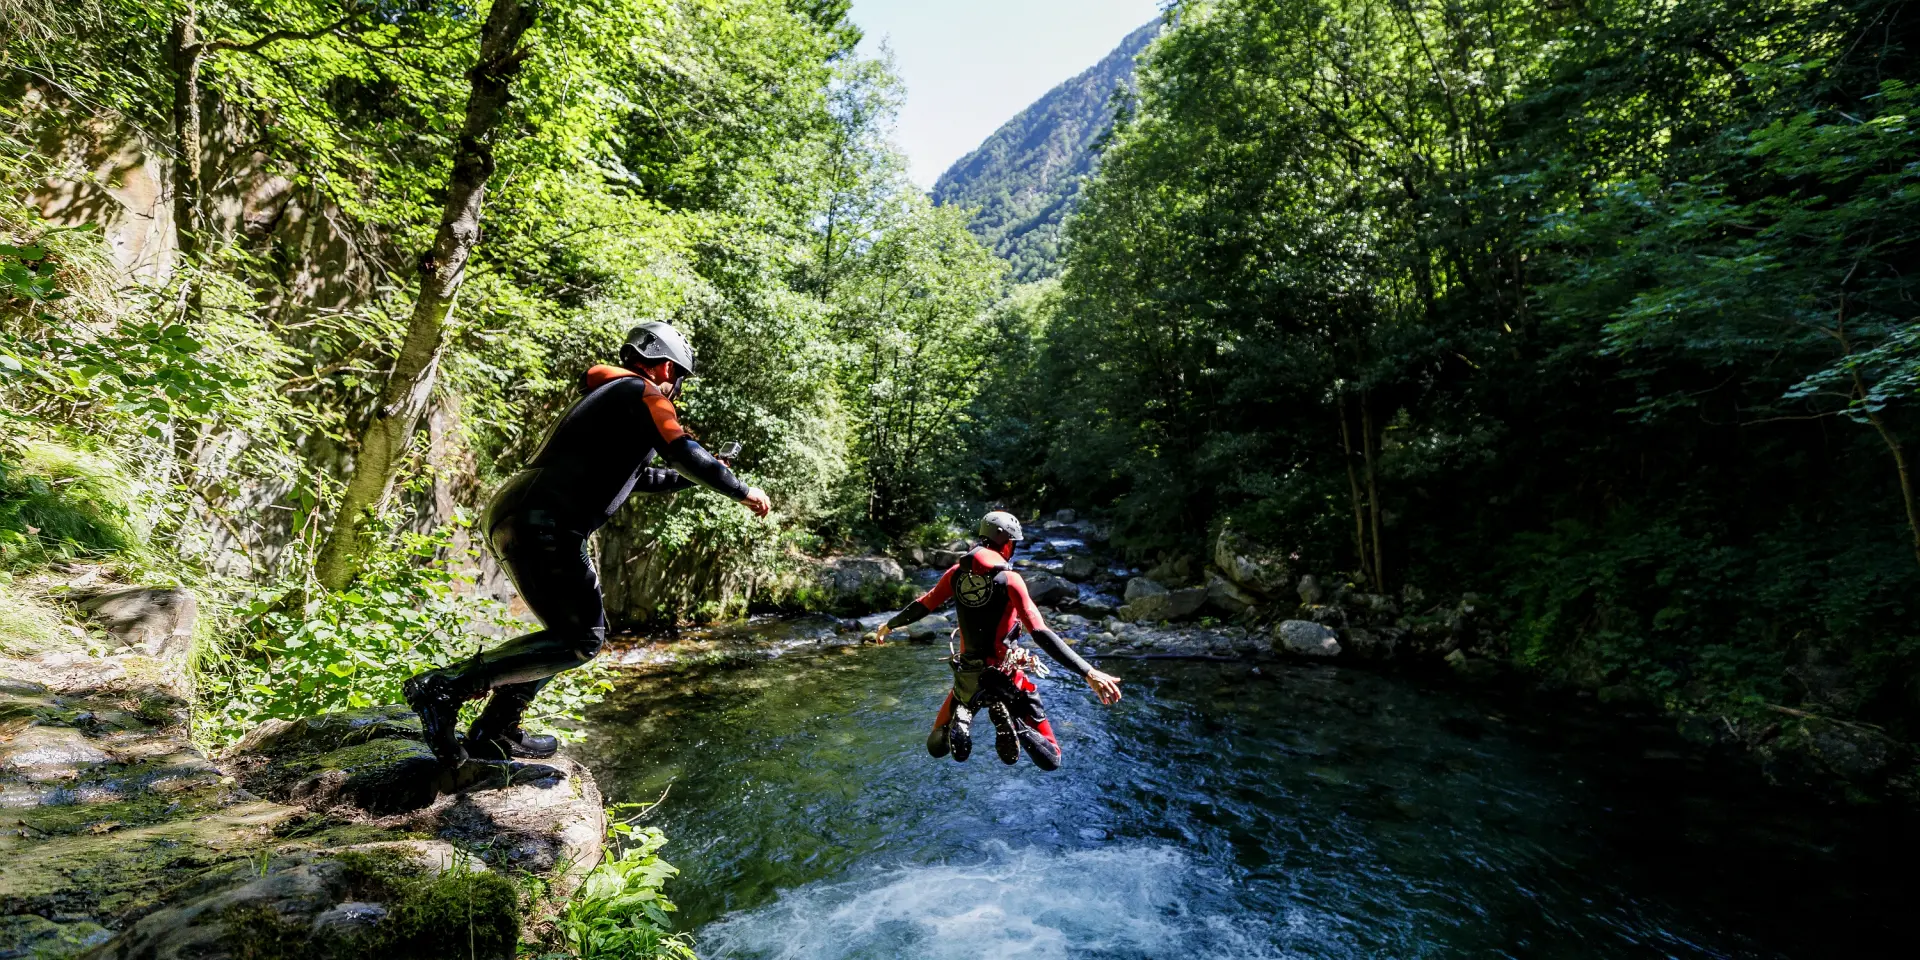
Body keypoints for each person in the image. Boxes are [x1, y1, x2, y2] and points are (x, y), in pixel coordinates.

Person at [404, 322, 771, 766]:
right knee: (583, 641)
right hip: (547, 521)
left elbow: (643, 476)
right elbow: (683, 451)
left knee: (566, 638)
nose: (676, 388)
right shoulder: (643, 392)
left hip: (523, 512)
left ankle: (494, 732)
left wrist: (696, 477)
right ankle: (445, 687)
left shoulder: (609, 399)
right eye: (679, 378)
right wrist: (739, 488)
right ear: (665, 366)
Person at [874, 511, 1122, 770]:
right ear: (1007, 542)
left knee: (936, 746)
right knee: (1052, 758)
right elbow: (1040, 632)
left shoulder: (955, 574)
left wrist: (889, 625)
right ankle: (1019, 727)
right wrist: (1088, 672)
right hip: (1006, 677)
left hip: (968, 676)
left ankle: (964, 715)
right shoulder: (1010, 580)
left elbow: (923, 606)